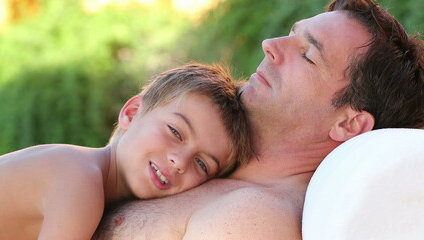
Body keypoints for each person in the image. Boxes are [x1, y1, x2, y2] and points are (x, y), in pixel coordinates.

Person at [93, 0, 424, 239]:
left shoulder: (253, 219)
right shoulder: (198, 147)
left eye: (307, 55)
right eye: (291, 34)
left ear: (348, 124)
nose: (270, 46)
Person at [0, 63, 252, 239]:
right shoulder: (79, 181)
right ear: (131, 113)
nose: (180, 161)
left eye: (202, 164)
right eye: (175, 132)